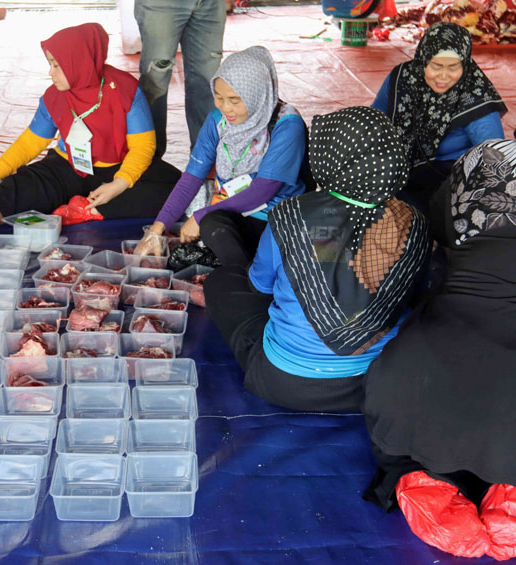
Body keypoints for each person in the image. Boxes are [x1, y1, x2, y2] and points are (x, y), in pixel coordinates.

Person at [203, 106, 431, 411]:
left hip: (284, 381)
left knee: (222, 282)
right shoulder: (414, 221)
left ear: (328, 158)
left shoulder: (290, 215)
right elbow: (414, 296)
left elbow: (260, 289)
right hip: (374, 384)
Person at [362, 139, 516, 561]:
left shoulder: (483, 161)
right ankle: (507, 496)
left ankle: (423, 478)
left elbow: (434, 224)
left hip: (417, 381)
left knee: (413, 417)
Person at [0, 23, 180, 232]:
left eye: (56, 65)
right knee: (23, 184)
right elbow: (31, 142)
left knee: (173, 189)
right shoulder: (54, 96)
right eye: (51, 64)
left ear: (81, 63)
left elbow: (143, 147)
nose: (50, 72)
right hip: (67, 165)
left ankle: (83, 211)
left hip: (118, 168)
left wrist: (120, 184)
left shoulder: (124, 89)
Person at [134, 46, 308, 270]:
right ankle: (239, 266)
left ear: (257, 94)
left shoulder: (287, 124)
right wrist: (156, 229)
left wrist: (201, 216)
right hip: (231, 207)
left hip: (273, 217)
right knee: (210, 225)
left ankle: (248, 277)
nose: (226, 108)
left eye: (235, 100)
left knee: (211, 224)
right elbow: (191, 178)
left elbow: (265, 189)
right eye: (219, 98)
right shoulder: (218, 121)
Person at [371, 21, 507, 215]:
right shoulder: (402, 79)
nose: (443, 76)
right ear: (423, 59)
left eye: (453, 67)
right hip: (399, 169)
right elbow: (374, 122)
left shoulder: (475, 96)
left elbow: (493, 159)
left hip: (451, 179)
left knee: (418, 216)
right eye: (436, 66)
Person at [134, 0, 226, 157]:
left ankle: (204, 163)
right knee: (155, 82)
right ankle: (149, 162)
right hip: (162, 5)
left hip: (210, 4)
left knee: (208, 82)